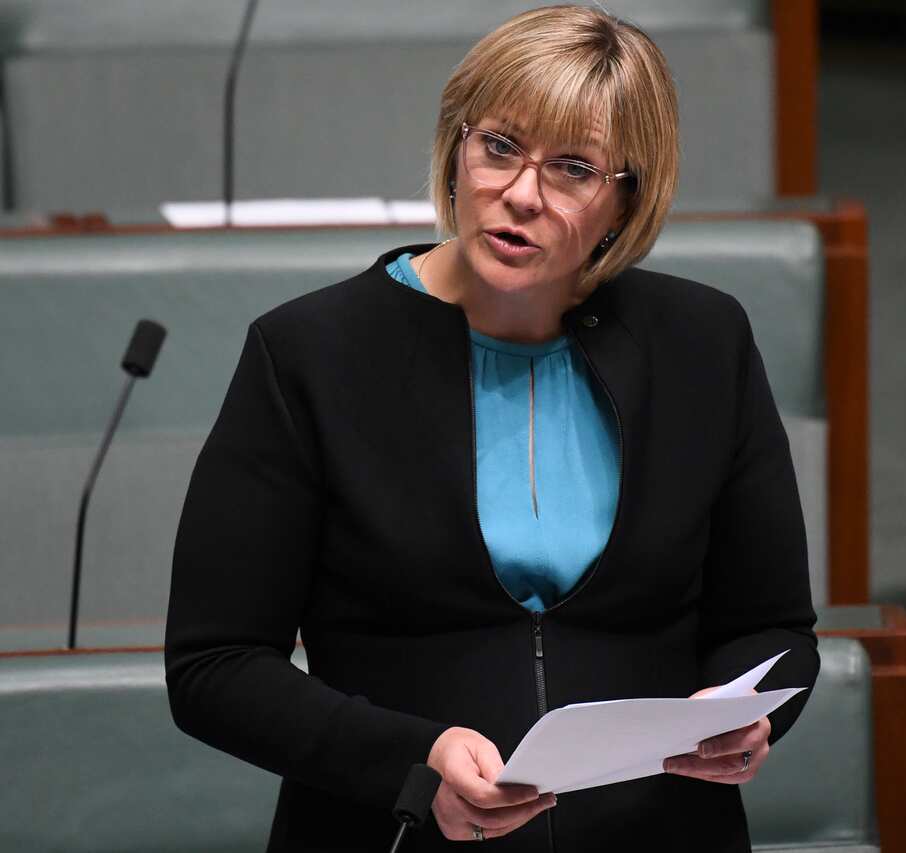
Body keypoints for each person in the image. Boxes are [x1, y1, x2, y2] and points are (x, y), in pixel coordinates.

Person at [165, 5, 818, 851]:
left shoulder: (701, 343)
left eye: (574, 168)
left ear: (627, 198)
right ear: (456, 146)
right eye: (499, 147)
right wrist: (414, 757)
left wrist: (740, 714)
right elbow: (214, 667)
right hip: (394, 834)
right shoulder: (310, 356)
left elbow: (775, 629)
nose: (520, 194)